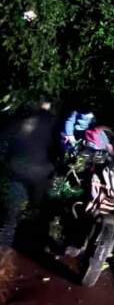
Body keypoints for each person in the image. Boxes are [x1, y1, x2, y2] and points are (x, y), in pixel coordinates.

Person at [0, 99, 59, 252]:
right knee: (41, 209)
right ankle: (36, 245)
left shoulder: (20, 117)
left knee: (12, 209)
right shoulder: (52, 121)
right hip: (40, 172)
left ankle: (4, 243)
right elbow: (58, 149)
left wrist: (7, 160)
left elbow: (4, 138)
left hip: (16, 168)